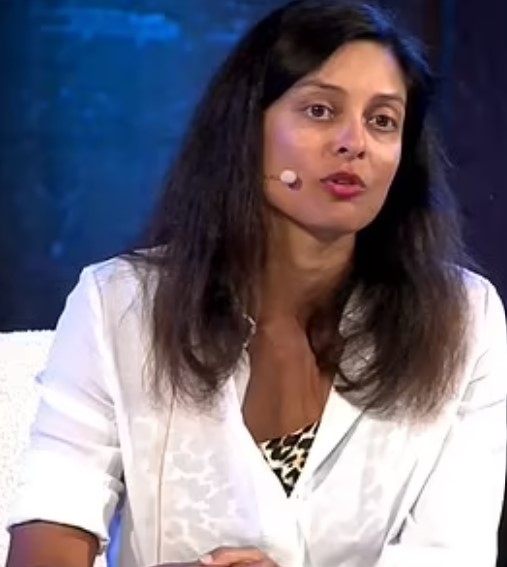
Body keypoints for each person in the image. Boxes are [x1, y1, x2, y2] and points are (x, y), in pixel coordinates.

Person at [6, 0, 507, 566]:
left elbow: (452, 553)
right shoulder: (118, 304)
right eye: (320, 110)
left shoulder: (466, 321)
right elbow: (46, 539)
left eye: (383, 121)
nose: (355, 142)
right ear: (247, 128)